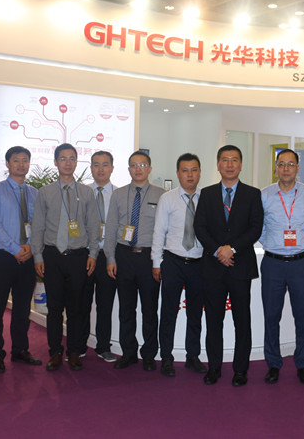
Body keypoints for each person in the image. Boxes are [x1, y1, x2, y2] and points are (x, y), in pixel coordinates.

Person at [194, 144, 263, 386]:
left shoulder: (253, 194)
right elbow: (200, 227)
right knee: (213, 321)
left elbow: (255, 228)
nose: (230, 164)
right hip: (212, 268)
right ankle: (214, 367)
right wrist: (217, 251)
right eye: (225, 160)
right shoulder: (207, 194)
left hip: (240, 266)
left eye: (234, 160)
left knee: (242, 321)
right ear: (218, 165)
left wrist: (231, 249)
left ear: (241, 165)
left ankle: (240, 369)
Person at [32, 143, 99, 372]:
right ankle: (55, 352)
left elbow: (93, 225)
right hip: (52, 255)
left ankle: (74, 351)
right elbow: (38, 226)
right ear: (55, 162)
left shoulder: (86, 192)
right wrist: (37, 256)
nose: (67, 163)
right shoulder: (46, 192)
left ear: (76, 162)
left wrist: (93, 254)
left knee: (76, 308)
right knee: (54, 308)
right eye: (63, 158)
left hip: (79, 256)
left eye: (72, 158)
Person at [259, 149, 304, 385]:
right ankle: (273, 363)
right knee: (271, 315)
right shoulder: (265, 195)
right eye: (282, 164)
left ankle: (302, 363)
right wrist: (274, 244)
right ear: (276, 167)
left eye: (291, 164)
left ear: (298, 168)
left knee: (303, 316)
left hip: (300, 264)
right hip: (273, 263)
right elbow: (260, 229)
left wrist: (300, 247)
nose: (286, 169)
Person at [105, 151, 166, 371]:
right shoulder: (118, 195)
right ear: (128, 169)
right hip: (124, 256)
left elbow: (165, 230)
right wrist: (110, 258)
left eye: (142, 164)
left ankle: (149, 354)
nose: (138, 168)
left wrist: (159, 260)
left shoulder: (162, 195)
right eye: (133, 165)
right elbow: (111, 228)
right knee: (126, 309)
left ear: (150, 168)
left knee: (149, 309)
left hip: (149, 258)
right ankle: (128, 352)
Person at [0, 146, 42, 372]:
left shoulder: (34, 193)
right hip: (4, 256)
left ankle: (20, 350)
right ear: (7, 163)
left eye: (25, 160)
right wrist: (15, 249)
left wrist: (30, 247)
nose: (21, 164)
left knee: (22, 308)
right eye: (16, 160)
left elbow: (39, 224)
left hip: (27, 256)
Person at [152, 153, 207, 377]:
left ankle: (193, 356)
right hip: (173, 261)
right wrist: (156, 263)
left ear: (199, 172)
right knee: (168, 312)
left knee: (195, 313)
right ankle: (166, 357)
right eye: (185, 170)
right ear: (178, 173)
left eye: (194, 170)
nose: (189, 175)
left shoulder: (207, 199)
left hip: (199, 263)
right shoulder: (168, 198)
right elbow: (159, 232)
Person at [81, 150, 119, 362]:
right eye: (96, 164)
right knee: (82, 302)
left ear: (112, 168)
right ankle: (79, 345)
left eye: (105, 164)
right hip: (85, 254)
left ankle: (103, 346)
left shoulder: (120, 194)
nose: (101, 169)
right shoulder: (82, 193)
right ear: (91, 168)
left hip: (108, 255)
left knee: (105, 304)